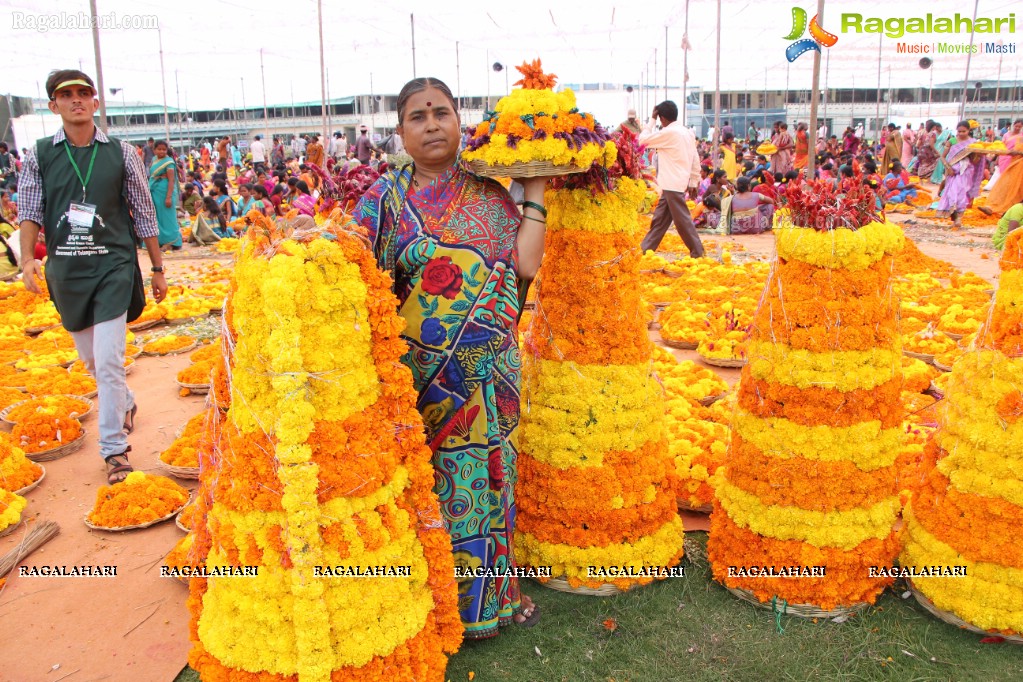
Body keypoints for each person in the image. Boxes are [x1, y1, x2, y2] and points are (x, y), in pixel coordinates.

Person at [352, 75, 547, 638]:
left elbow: (525, 268)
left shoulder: (489, 193)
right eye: (418, 116)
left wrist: (533, 190)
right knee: (429, 486)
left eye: (442, 112)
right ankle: (432, 600)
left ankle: (493, 599)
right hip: (419, 381)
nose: (432, 123)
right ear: (400, 132)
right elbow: (352, 266)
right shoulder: (382, 200)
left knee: (490, 479)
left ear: (461, 123)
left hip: (488, 374)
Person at [18, 69, 167, 483]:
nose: (77, 100)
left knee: (107, 360)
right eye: (67, 95)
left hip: (113, 266)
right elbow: (29, 209)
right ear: (54, 106)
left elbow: (144, 211)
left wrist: (156, 267)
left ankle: (114, 450)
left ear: (96, 103)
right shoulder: (40, 154)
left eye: (85, 93)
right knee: (90, 360)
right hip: (67, 270)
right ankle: (126, 401)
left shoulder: (122, 153)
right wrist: (29, 258)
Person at [638, 100, 704, 256]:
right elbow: (695, 158)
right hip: (674, 182)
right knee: (659, 220)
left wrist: (651, 121)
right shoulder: (686, 132)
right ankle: (645, 249)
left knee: (682, 221)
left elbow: (642, 141)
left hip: (672, 183)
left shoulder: (669, 132)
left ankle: (698, 251)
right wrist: (694, 180)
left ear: (662, 118)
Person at [936, 121, 985, 227]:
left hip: (966, 172)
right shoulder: (952, 141)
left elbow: (975, 161)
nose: (961, 133)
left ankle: (958, 219)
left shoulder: (973, 142)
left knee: (961, 194)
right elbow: (943, 156)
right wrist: (948, 167)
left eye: (964, 131)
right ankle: (955, 219)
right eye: (959, 131)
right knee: (952, 193)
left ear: (969, 131)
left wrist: (980, 155)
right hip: (952, 171)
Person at [982, 119, 1023, 216]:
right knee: (1003, 184)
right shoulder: (1007, 134)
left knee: (1015, 188)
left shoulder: (1021, 137)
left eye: (1019, 127)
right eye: (1016, 126)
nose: (1017, 128)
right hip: (1008, 161)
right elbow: (1002, 146)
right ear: (1013, 125)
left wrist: (1017, 153)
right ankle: (993, 206)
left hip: (1019, 165)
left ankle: (1009, 209)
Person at [148, 140, 181, 249]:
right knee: (156, 216)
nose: (162, 151)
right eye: (159, 149)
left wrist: (168, 197)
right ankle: (159, 240)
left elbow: (171, 180)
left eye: (164, 149)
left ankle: (171, 242)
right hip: (155, 190)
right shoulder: (154, 160)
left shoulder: (169, 162)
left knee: (168, 217)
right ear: (154, 150)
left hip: (165, 190)